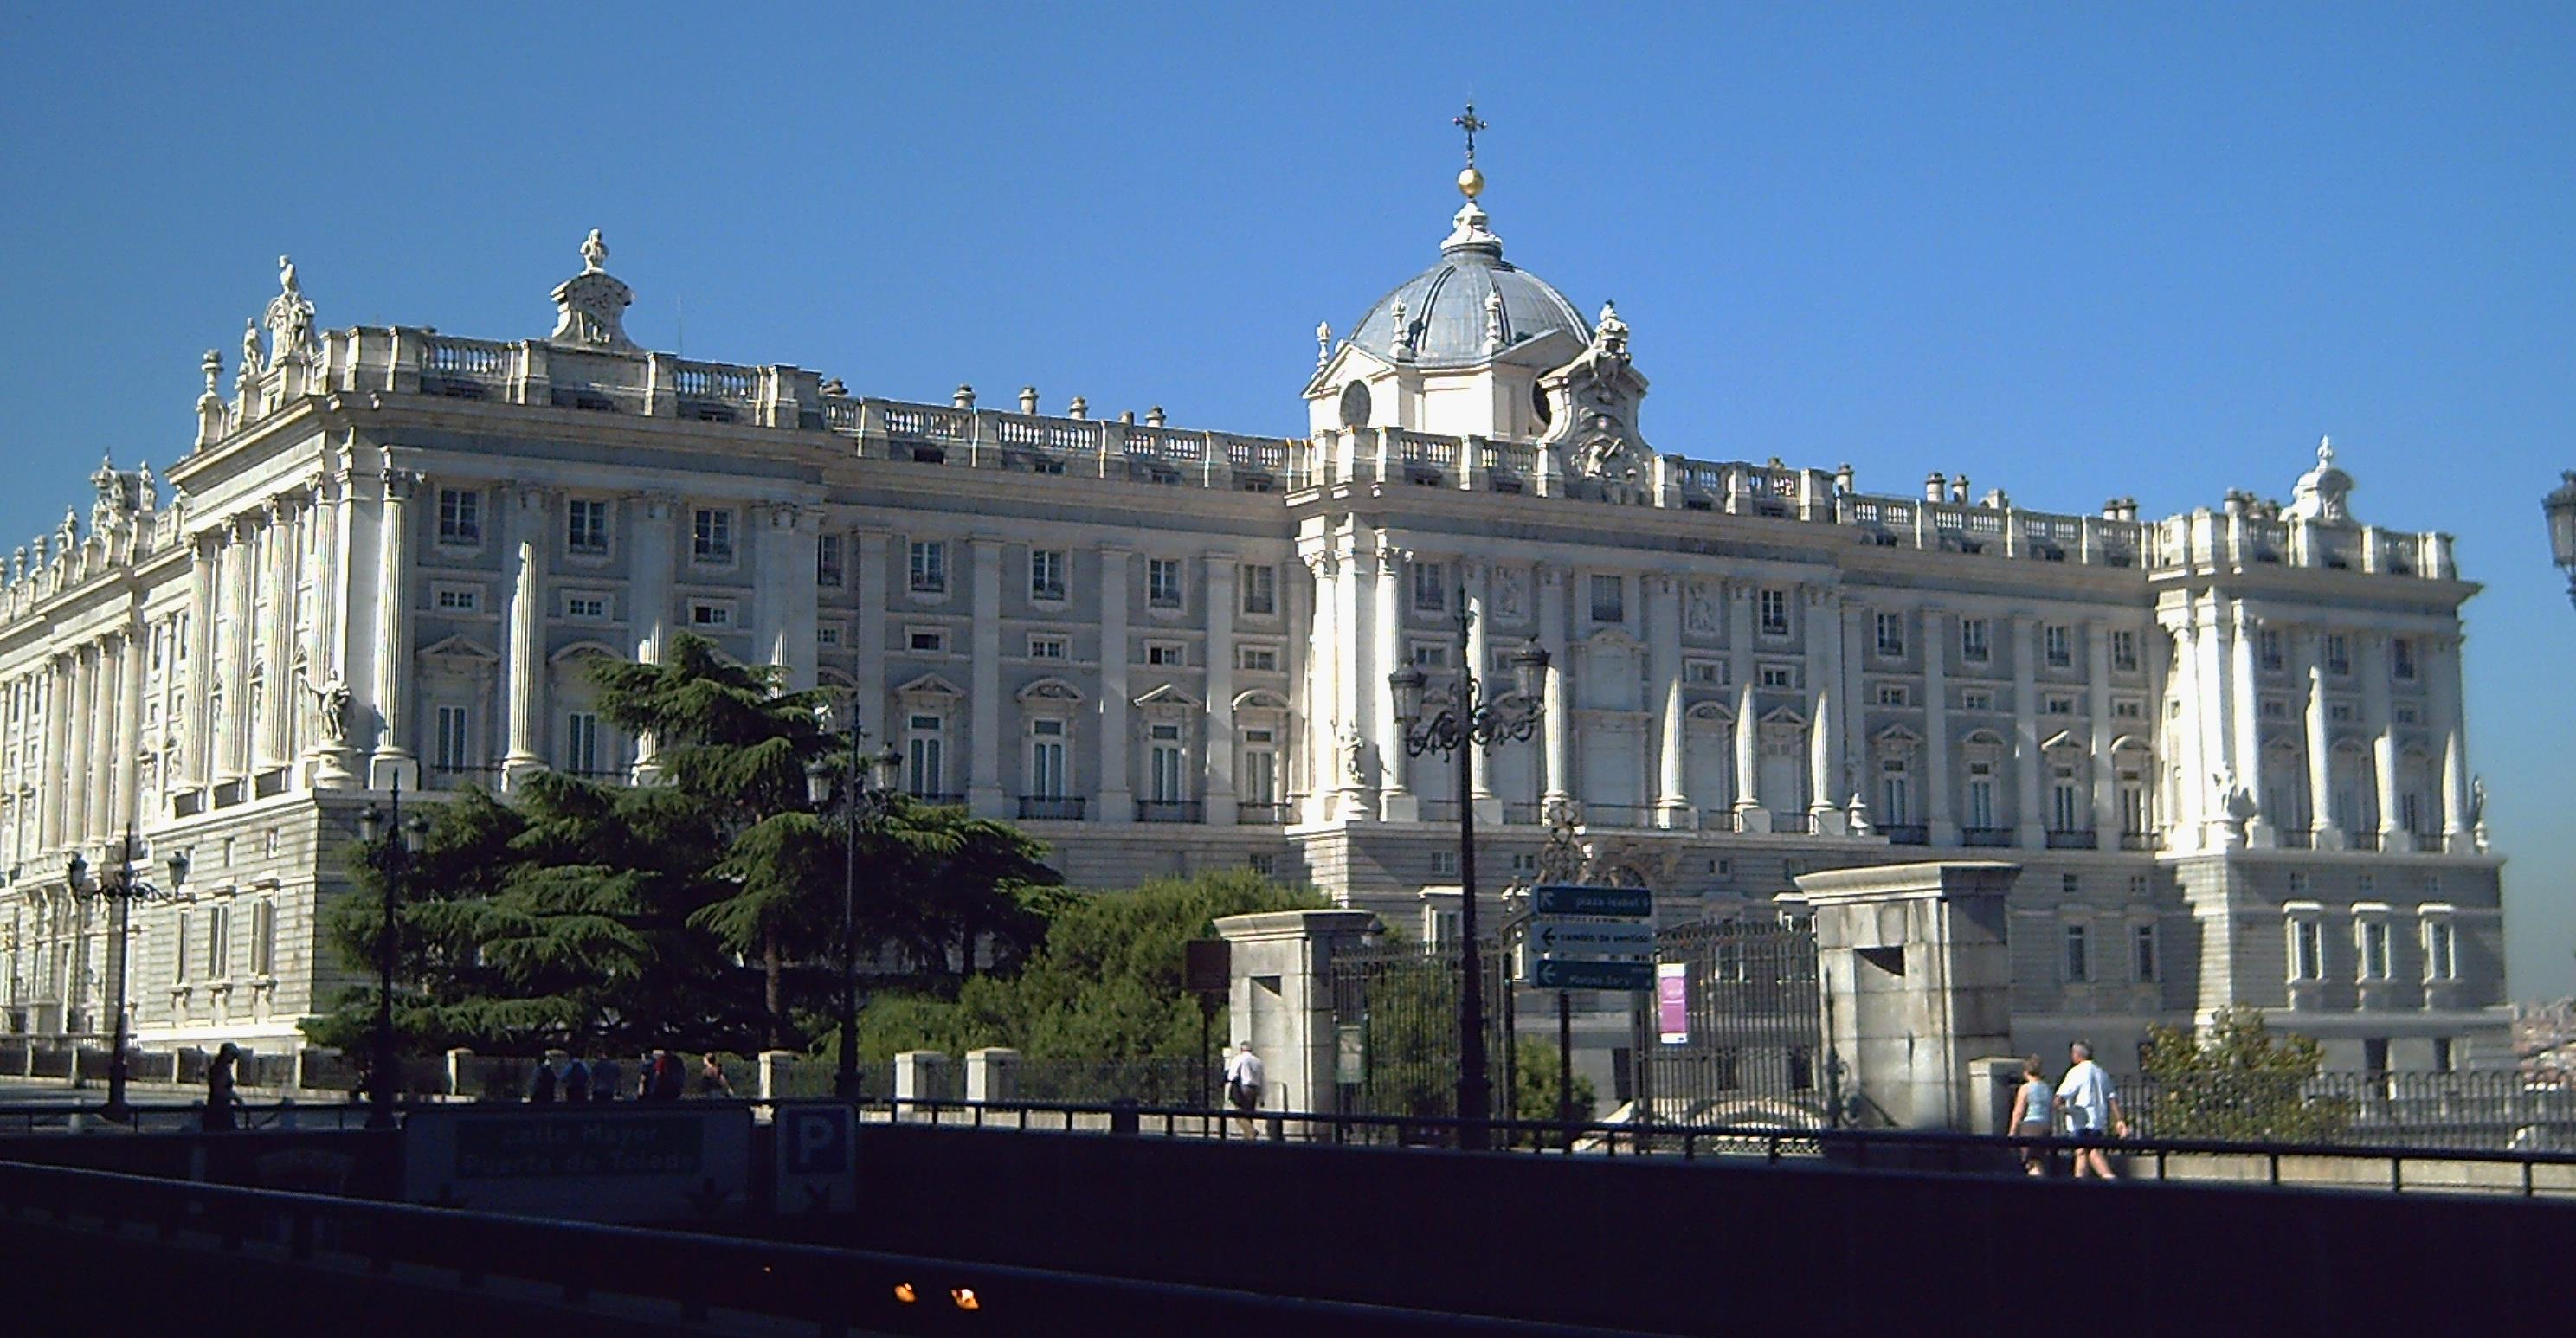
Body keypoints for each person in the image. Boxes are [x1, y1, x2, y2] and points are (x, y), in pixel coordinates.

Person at [2054, 1040, 2129, 1179]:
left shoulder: (2076, 1072)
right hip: (2098, 1121)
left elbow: (2062, 1094)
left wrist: (2060, 1106)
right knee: (2093, 1151)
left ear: (2077, 1054)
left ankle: (2080, 1186)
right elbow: (2112, 1098)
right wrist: (2120, 1120)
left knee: (2081, 1152)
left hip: (2080, 1120)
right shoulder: (2101, 1072)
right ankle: (2109, 1178)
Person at [2005, 1056, 2054, 1175]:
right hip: (2045, 1126)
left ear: (2025, 1072)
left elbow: (2018, 1111)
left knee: (2031, 1161)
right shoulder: (2047, 1088)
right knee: (2039, 1160)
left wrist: (2012, 1132)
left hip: (2030, 1127)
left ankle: (2036, 1188)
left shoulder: (2025, 1088)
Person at [1222, 1042, 1265, 1141]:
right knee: (1249, 1114)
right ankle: (1248, 1139)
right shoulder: (1258, 1061)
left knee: (1238, 1114)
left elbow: (1232, 1076)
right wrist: (1262, 1097)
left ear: (1241, 1049)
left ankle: (1250, 1131)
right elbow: (1262, 1079)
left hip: (1242, 1088)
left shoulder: (1239, 1059)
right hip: (1254, 1089)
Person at [202, 1043, 240, 1132]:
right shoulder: (221, 1069)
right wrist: (235, 1097)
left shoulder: (221, 1068)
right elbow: (219, 1090)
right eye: (233, 1056)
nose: (234, 1059)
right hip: (220, 1108)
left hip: (221, 1106)